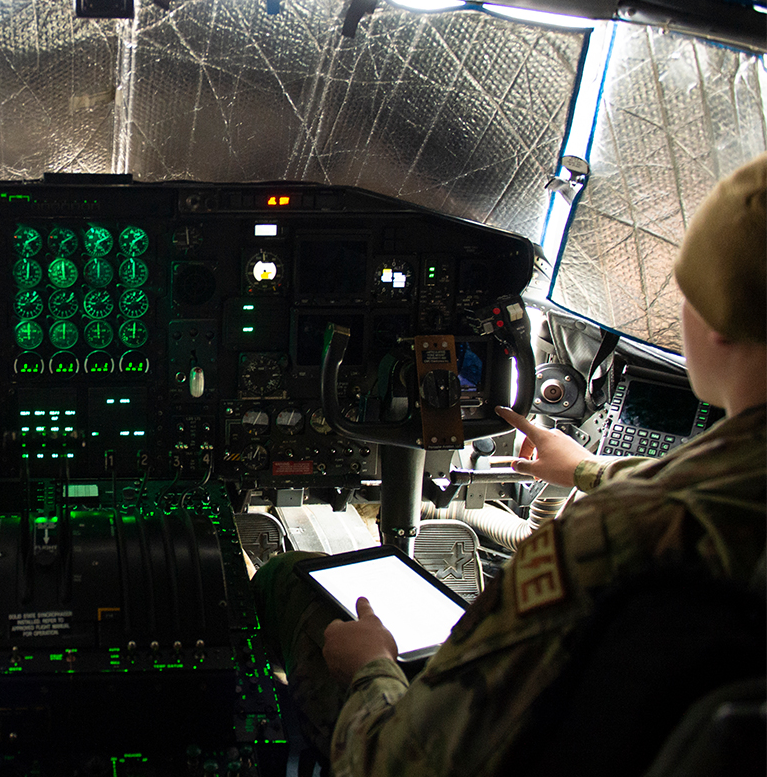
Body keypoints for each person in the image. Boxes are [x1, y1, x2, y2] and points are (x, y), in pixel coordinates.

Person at [252, 153, 767, 776]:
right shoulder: (694, 509)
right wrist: (585, 470)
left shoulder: (609, 542)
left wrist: (371, 666)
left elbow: (396, 765)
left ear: (718, 321)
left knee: (286, 581)